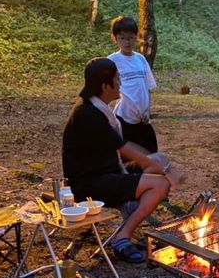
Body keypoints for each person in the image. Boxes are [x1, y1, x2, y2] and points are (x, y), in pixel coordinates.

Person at [62, 58, 184, 263]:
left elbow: (125, 149)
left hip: (109, 170)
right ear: (105, 86)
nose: (120, 83)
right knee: (160, 184)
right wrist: (164, 171)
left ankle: (131, 208)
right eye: (117, 79)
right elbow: (124, 148)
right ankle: (122, 237)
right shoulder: (87, 114)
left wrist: (160, 164)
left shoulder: (99, 108)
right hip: (90, 184)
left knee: (160, 158)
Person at [108, 16, 158, 153]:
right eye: (122, 38)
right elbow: (104, 92)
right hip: (124, 118)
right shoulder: (112, 61)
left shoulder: (140, 59)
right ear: (114, 38)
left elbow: (147, 87)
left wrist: (147, 110)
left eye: (130, 37)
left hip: (142, 118)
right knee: (131, 160)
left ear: (136, 37)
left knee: (152, 153)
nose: (126, 42)